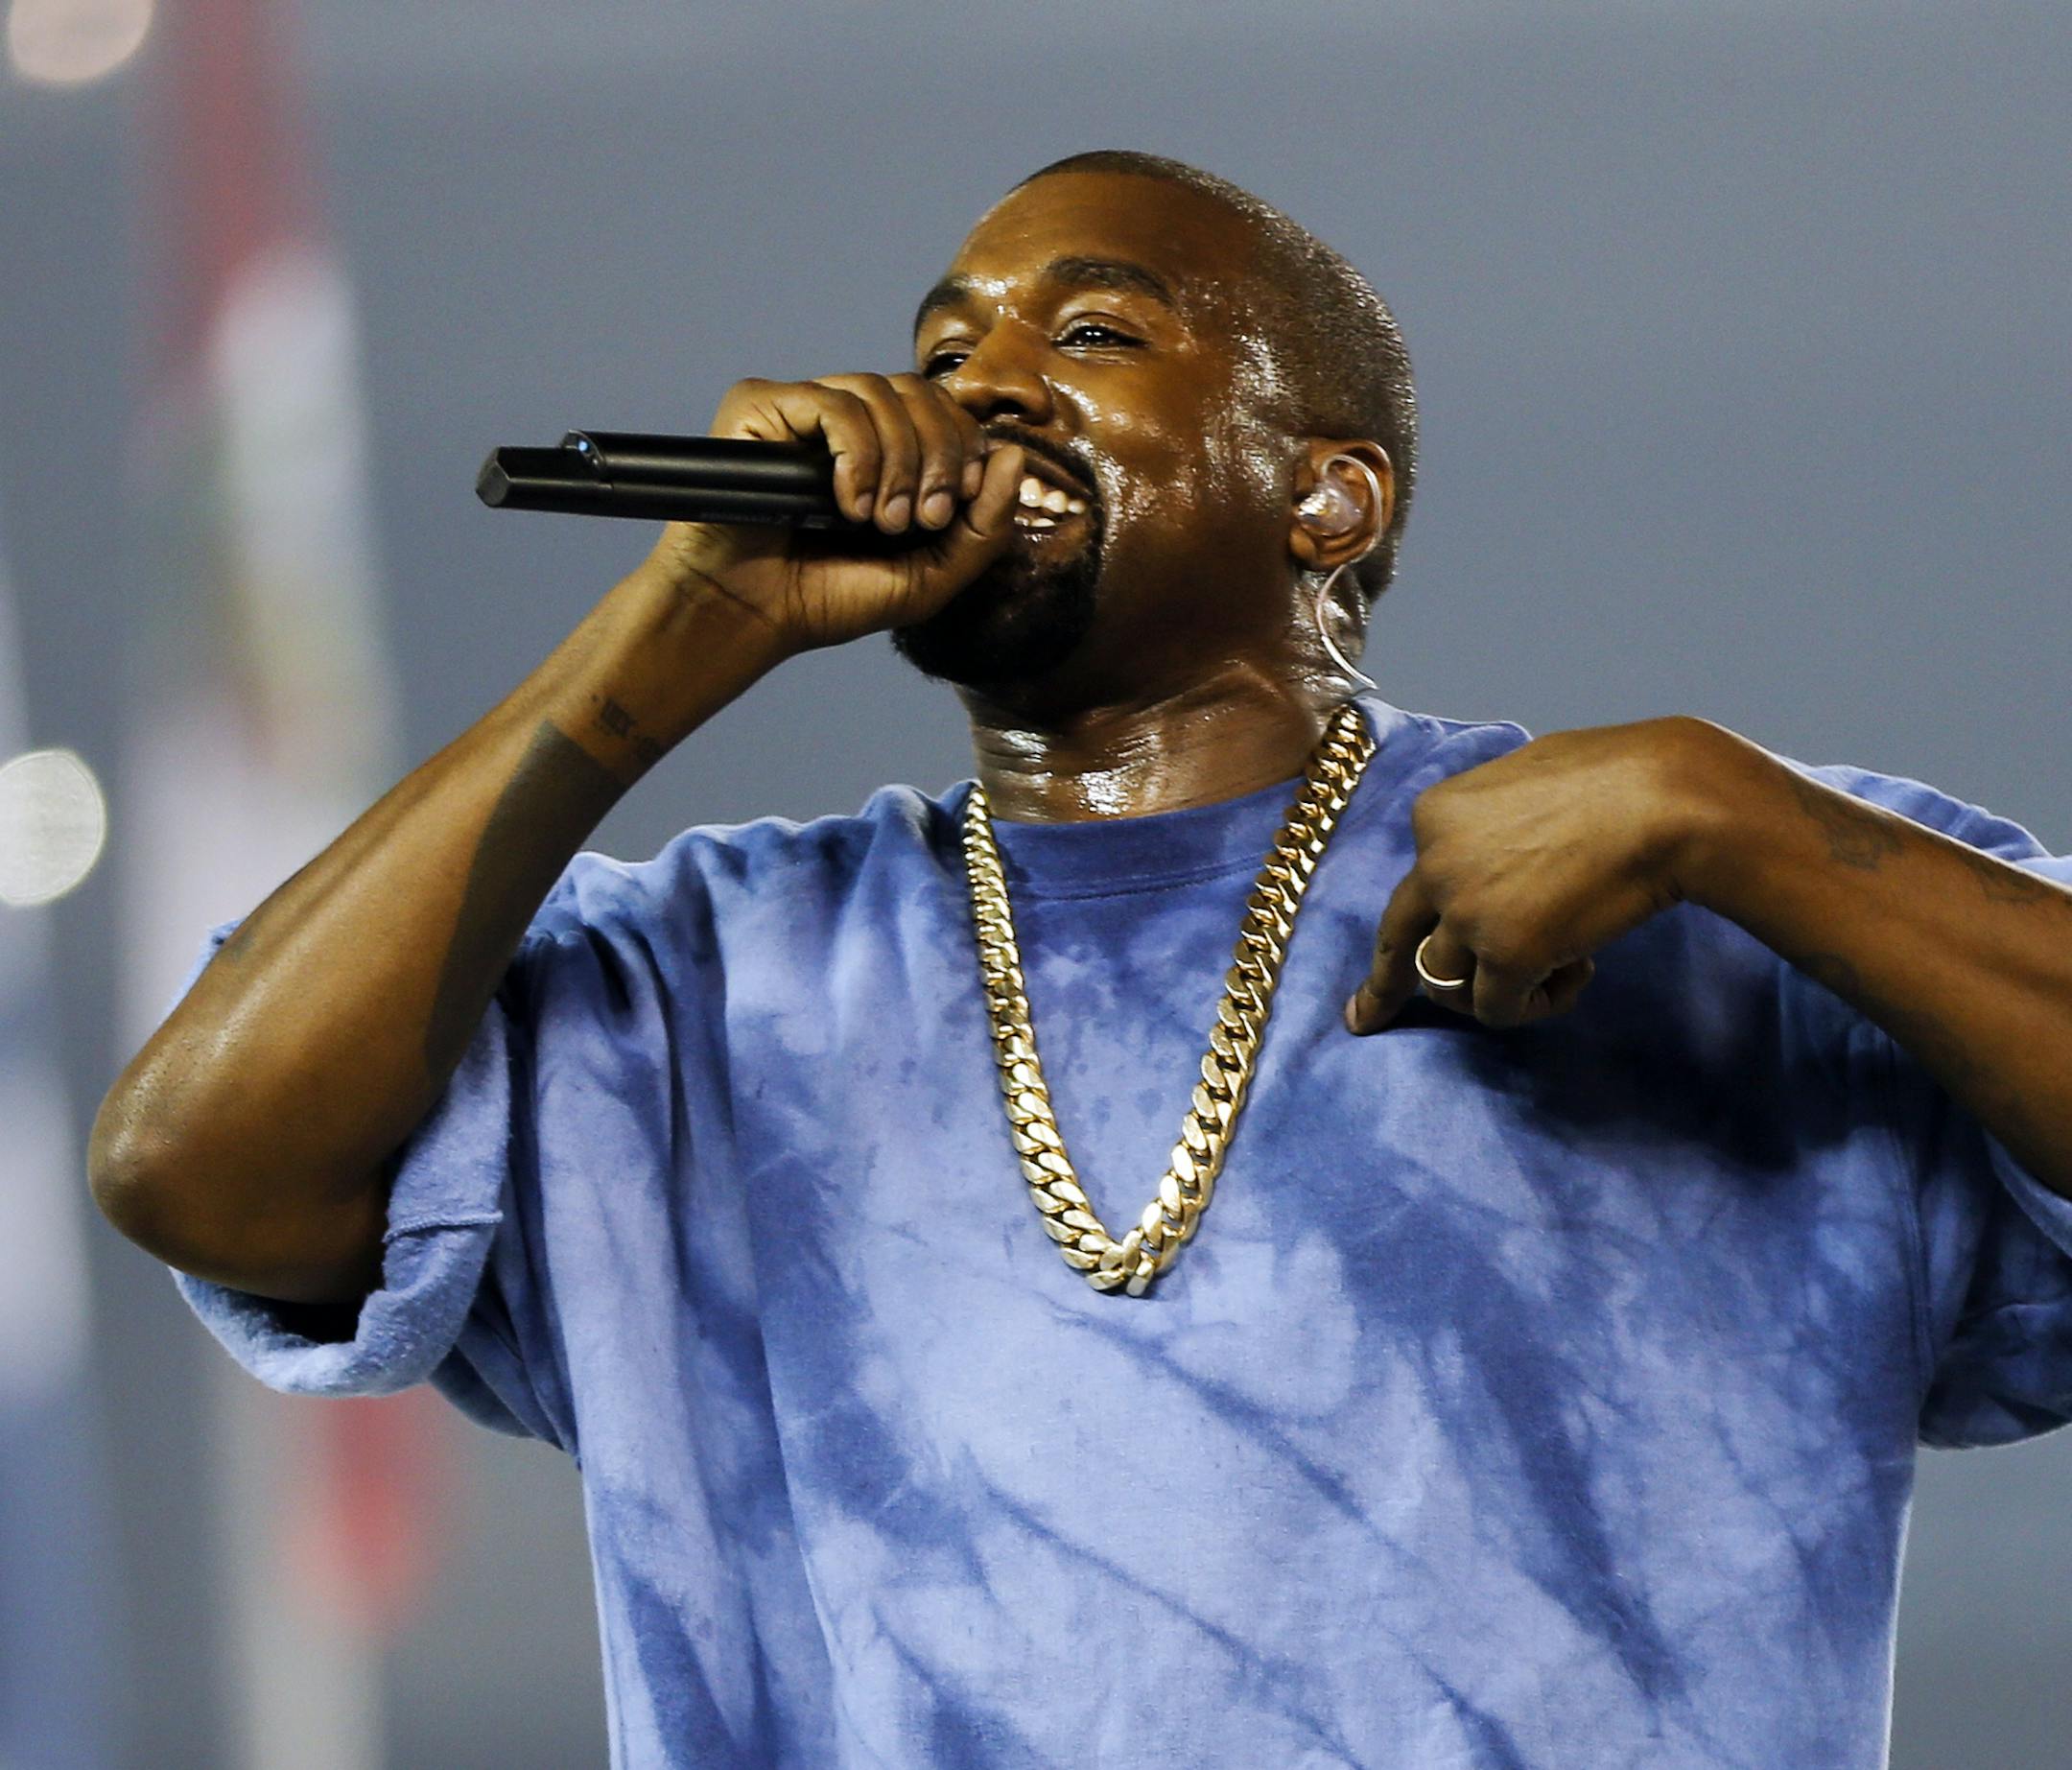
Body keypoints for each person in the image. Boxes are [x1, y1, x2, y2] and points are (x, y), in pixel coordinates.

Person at [91, 149, 2072, 1768]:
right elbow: (201, 1171)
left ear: (1329, 493)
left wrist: (1735, 818)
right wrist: (668, 638)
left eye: (1097, 329)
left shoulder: (1673, 887)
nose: (988, 383)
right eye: (945, 349)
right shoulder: (699, 983)